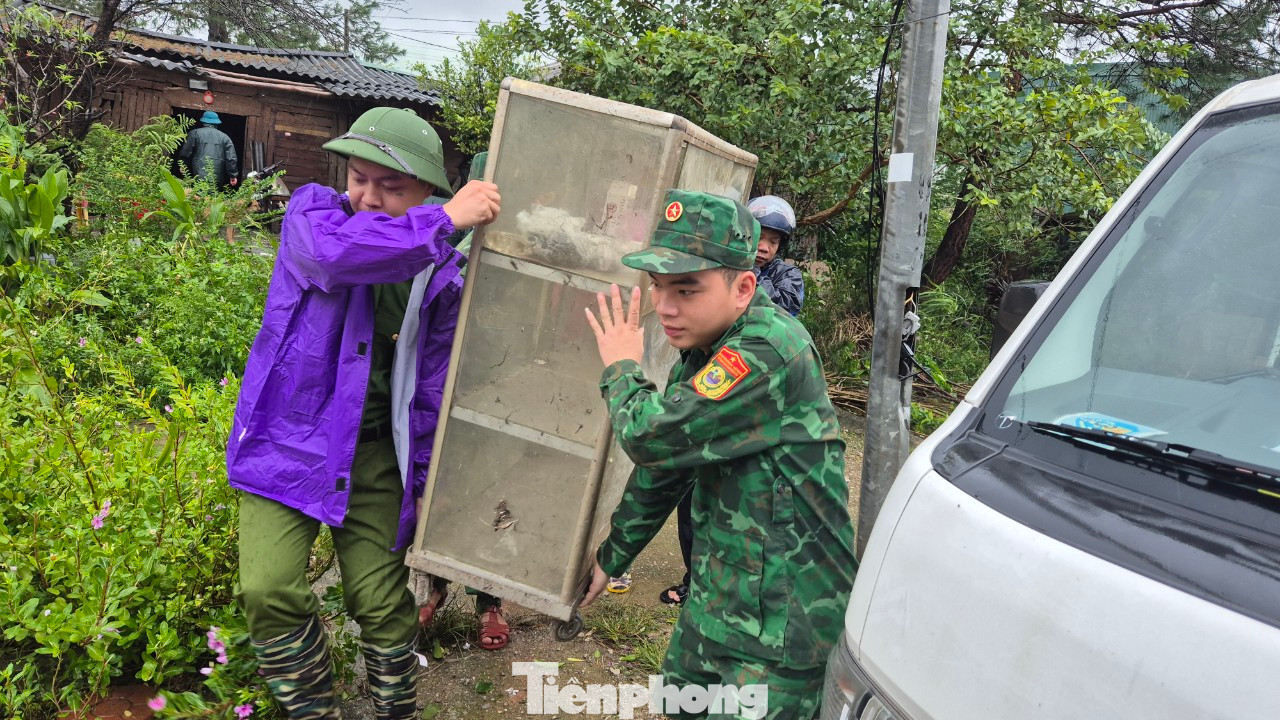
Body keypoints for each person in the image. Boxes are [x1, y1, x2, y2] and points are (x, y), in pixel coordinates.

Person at [227, 106, 501, 720]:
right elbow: (333, 258)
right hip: (289, 439)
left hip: (377, 451)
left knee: (379, 602)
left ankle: (394, 709)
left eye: (392, 186)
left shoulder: (444, 274)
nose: (369, 197)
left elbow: (430, 389)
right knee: (268, 587)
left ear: (428, 188)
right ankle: (313, 711)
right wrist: (445, 220)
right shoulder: (315, 215)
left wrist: (426, 481)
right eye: (359, 177)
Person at [581, 190, 857, 719]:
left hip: (785, 618)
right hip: (721, 596)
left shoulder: (768, 350)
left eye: (686, 288)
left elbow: (650, 436)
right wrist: (613, 555)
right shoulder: (705, 349)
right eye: (659, 285)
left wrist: (621, 367)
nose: (664, 306)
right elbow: (668, 465)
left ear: (743, 287)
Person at [656, 196, 805, 608]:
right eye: (761, 236)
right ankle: (694, 579)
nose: (766, 247)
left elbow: (783, 311)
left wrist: (748, 279)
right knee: (691, 502)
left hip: (749, 408)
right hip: (708, 395)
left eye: (775, 241)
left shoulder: (783, 279)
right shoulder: (713, 271)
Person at [415, 150, 511, 651]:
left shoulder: (526, 257)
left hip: (499, 386)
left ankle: (488, 600)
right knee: (437, 491)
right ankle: (433, 585)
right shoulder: (444, 242)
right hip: (440, 388)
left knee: (493, 491)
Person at [748, 195, 804, 316]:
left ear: (780, 246)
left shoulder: (787, 274)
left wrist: (753, 272)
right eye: (758, 237)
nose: (763, 248)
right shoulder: (728, 261)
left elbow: (787, 308)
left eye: (773, 242)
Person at [177, 110, 240, 190]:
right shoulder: (225, 137)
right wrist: (233, 175)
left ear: (203, 121)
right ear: (217, 123)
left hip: (197, 172)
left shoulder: (194, 133)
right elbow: (231, 158)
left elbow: (186, 152)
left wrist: (182, 165)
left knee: (197, 195)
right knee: (213, 195)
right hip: (217, 176)